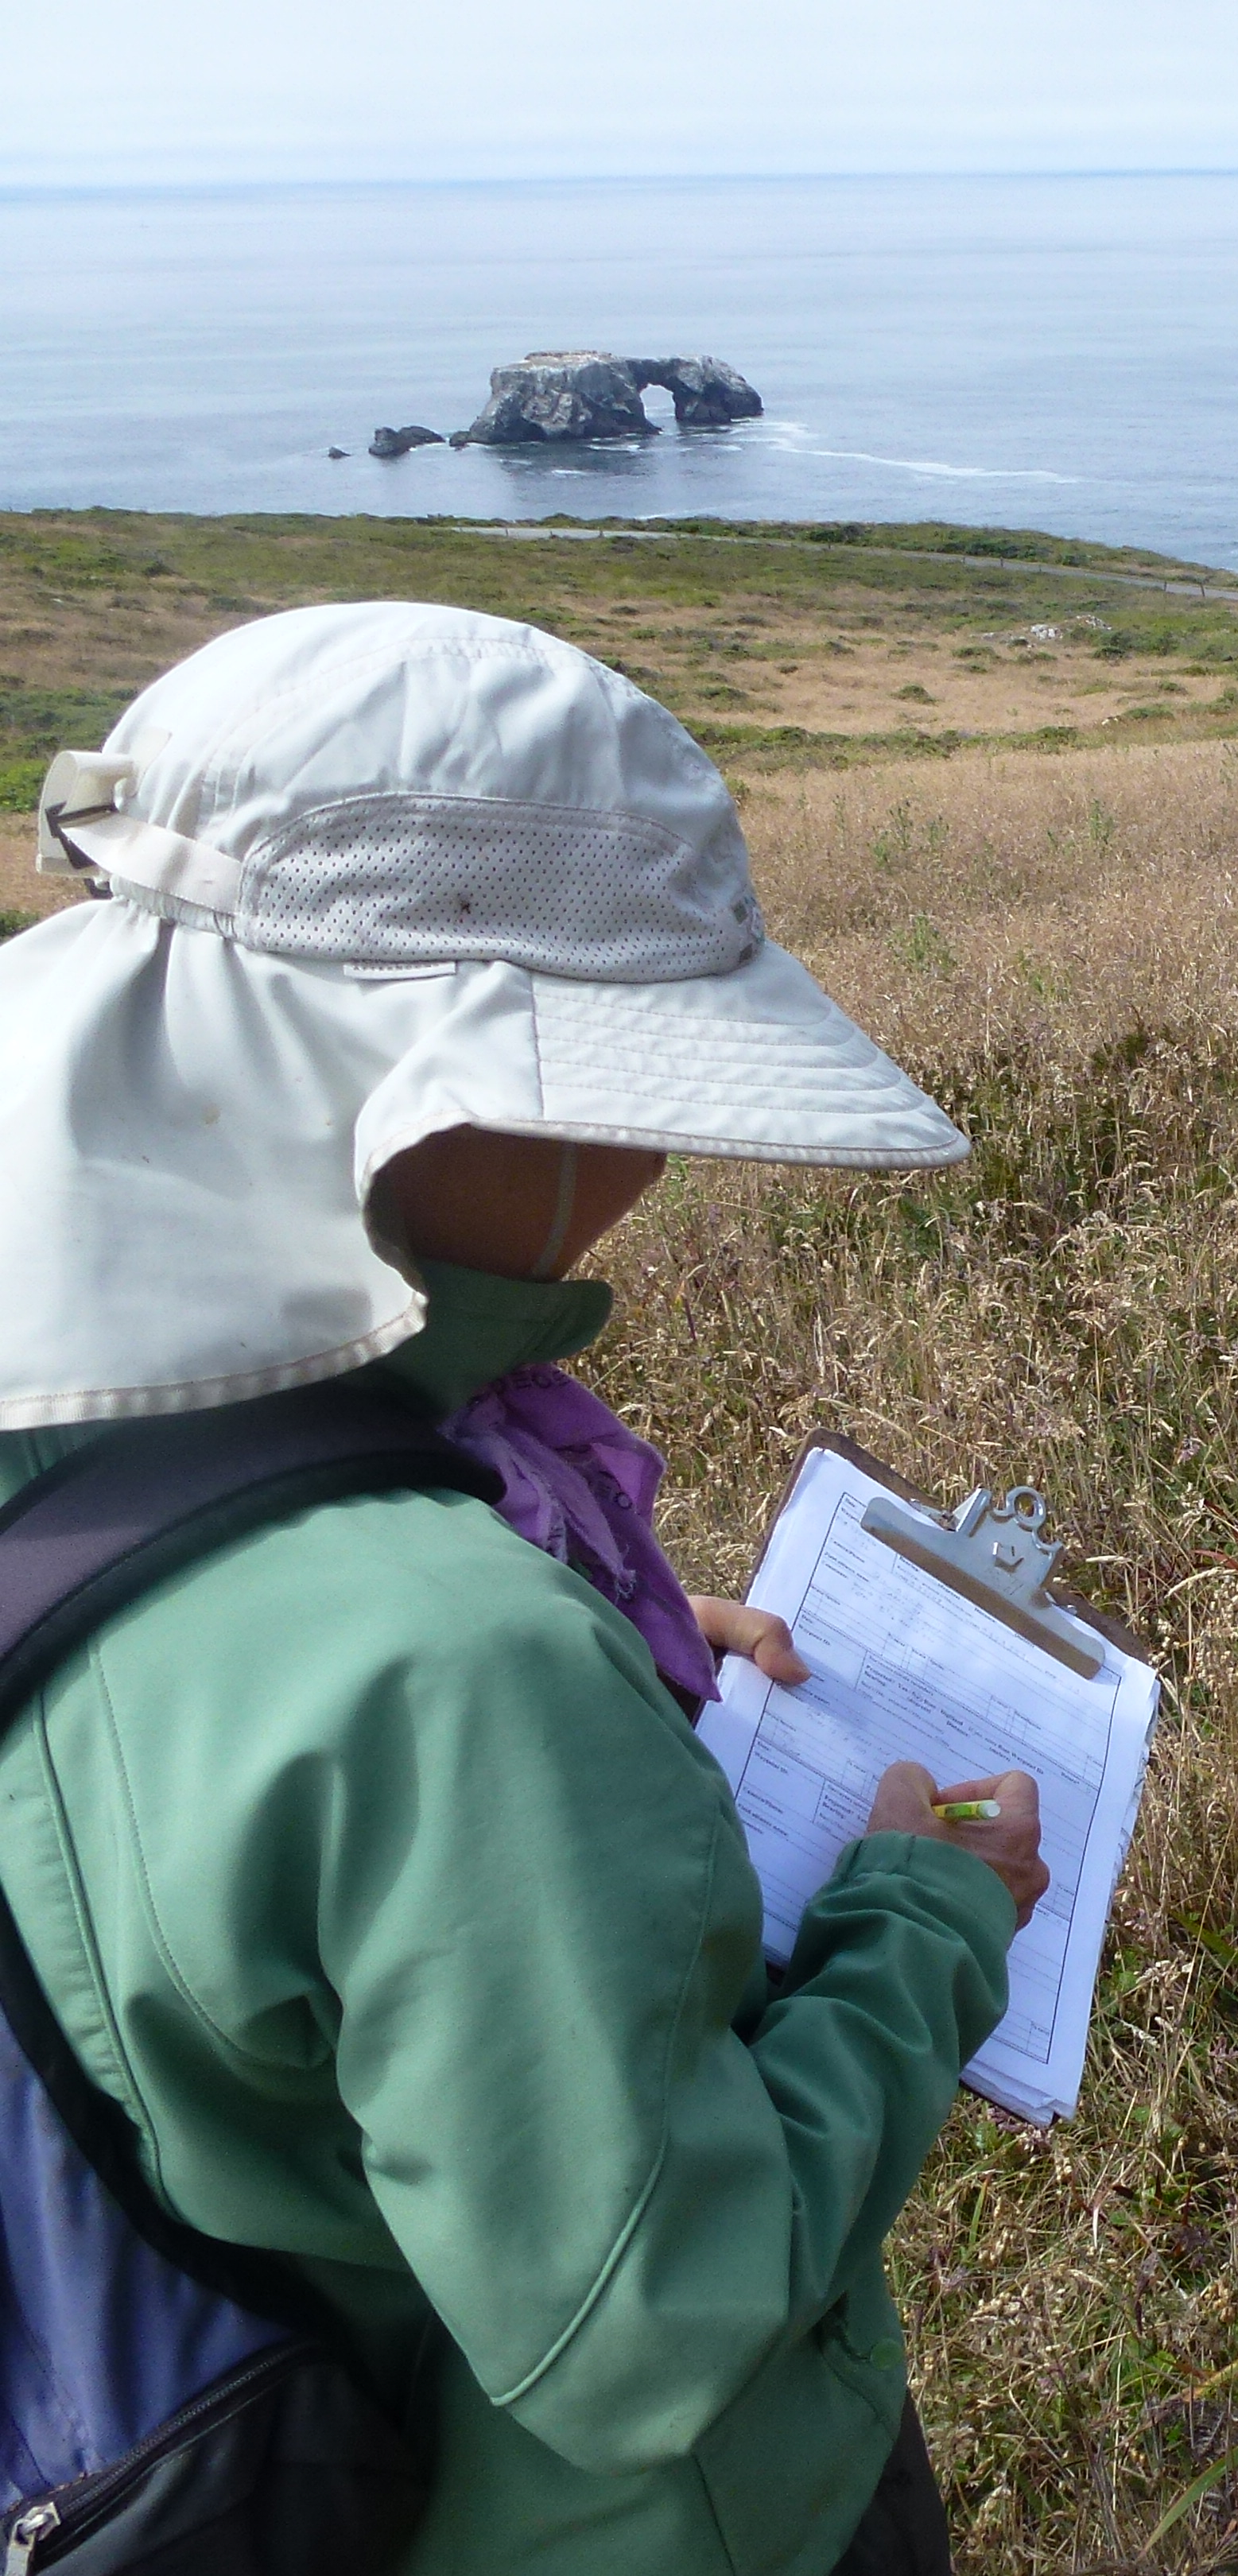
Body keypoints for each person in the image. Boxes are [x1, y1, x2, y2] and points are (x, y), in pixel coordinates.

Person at [0, 601, 1050, 2574]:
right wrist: (927, 1924)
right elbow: (658, 2317)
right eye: (628, 1080)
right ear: (425, 1084)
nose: (651, 1149)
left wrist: (565, 1674)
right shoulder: (453, 1664)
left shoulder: (85, 1436)